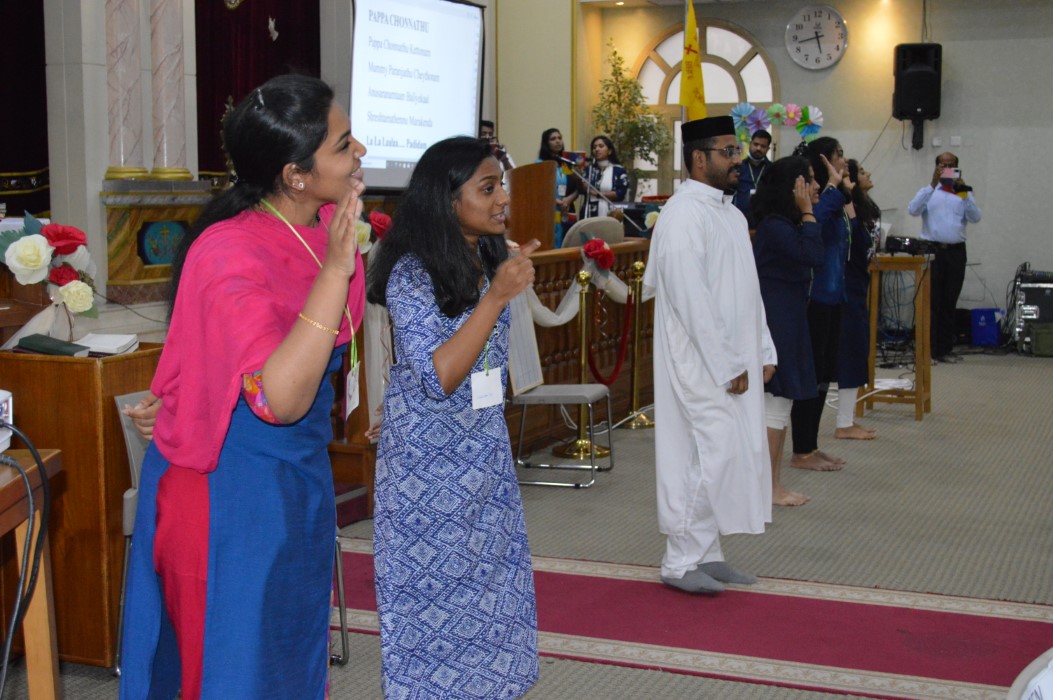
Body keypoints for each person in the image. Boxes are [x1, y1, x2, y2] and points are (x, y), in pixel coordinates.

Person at [119, 74, 367, 700]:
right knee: (233, 671)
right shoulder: (229, 251)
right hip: (230, 496)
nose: (360, 150)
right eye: (343, 144)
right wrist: (336, 270)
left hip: (297, 481)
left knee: (289, 658)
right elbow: (278, 399)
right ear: (296, 175)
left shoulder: (324, 226)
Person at [366, 136, 541, 697]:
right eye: (487, 188)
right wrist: (495, 297)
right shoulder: (411, 273)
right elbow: (440, 375)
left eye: (501, 186)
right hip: (429, 472)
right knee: (434, 605)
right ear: (447, 199)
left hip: (483, 455)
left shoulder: (487, 256)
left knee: (495, 594)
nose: (502, 198)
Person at [642, 116, 775, 595]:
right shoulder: (682, 216)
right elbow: (690, 299)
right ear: (699, 159)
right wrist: (725, 364)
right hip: (698, 359)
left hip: (733, 357)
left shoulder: (731, 215)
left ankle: (707, 553)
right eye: (728, 152)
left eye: (737, 151)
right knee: (704, 452)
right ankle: (679, 561)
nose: (738, 160)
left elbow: (749, 292)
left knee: (728, 451)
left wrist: (763, 348)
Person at [751, 156, 824, 507]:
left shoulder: (784, 223)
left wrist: (807, 213)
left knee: (780, 405)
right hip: (777, 320)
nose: (815, 186)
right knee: (775, 404)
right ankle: (768, 487)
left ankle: (772, 484)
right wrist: (808, 212)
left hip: (789, 318)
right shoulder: (775, 226)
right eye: (809, 180)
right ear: (792, 186)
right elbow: (813, 255)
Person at [788, 136, 855, 473]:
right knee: (810, 377)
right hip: (814, 298)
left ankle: (811, 445)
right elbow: (816, 219)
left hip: (834, 296)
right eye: (838, 155)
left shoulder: (835, 197)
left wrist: (840, 187)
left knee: (825, 375)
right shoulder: (815, 197)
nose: (843, 160)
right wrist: (830, 184)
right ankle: (801, 449)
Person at [907, 152, 982, 363]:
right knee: (931, 302)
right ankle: (927, 351)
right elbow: (913, 210)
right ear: (936, 167)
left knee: (949, 300)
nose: (946, 168)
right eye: (942, 164)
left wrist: (964, 192)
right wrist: (932, 184)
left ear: (957, 168)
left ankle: (944, 350)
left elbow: (976, 217)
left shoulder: (963, 193)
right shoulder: (929, 191)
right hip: (932, 251)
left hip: (956, 252)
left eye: (950, 165)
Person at [835, 160, 881, 440]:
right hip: (846, 290)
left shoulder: (865, 208)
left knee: (857, 350)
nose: (868, 174)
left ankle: (848, 419)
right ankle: (843, 423)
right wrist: (847, 193)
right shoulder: (845, 207)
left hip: (857, 287)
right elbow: (854, 240)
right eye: (862, 171)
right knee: (850, 353)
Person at [537, 127, 582, 247]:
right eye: (553, 139)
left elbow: (576, 188)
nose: (558, 141)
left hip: (566, 209)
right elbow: (538, 189)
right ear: (546, 143)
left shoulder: (566, 164)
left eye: (559, 138)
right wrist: (557, 201)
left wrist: (568, 200)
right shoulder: (541, 164)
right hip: (549, 210)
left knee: (568, 243)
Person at [582, 135, 629, 219]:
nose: (597, 149)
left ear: (609, 151)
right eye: (594, 147)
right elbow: (581, 190)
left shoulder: (618, 170)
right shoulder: (588, 170)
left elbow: (621, 193)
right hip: (590, 213)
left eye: (601, 146)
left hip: (612, 213)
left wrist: (596, 194)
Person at [733, 129, 772, 219]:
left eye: (763, 146)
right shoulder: (738, 167)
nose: (758, 148)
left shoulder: (772, 169)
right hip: (740, 218)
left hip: (764, 219)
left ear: (768, 149)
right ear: (750, 144)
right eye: (756, 144)